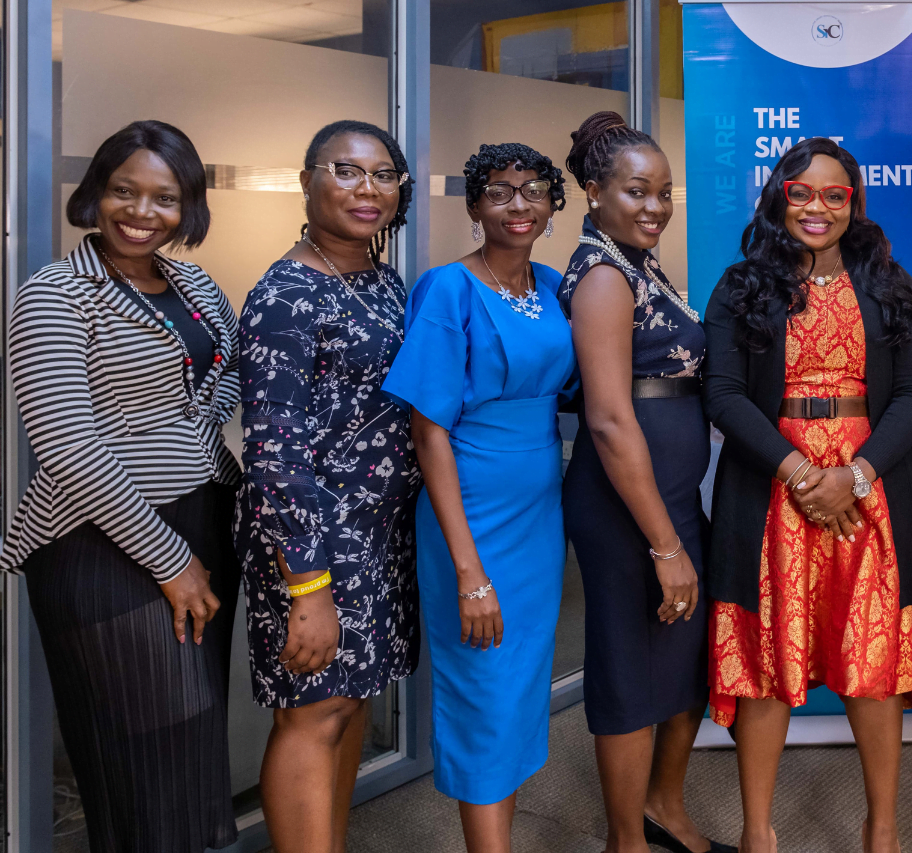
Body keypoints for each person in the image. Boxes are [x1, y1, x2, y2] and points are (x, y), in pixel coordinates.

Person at [705, 137, 912, 853]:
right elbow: (722, 396)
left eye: (834, 194)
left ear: (855, 203)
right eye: (802, 193)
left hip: (870, 492)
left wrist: (855, 475)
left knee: (870, 660)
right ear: (780, 197)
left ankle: (883, 829)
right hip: (771, 489)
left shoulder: (890, 285)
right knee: (766, 663)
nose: (818, 207)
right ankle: (758, 833)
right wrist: (800, 473)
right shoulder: (740, 286)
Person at [2, 120, 241, 852]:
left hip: (202, 517)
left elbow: (225, 371)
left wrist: (192, 423)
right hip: (101, 544)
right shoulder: (54, 295)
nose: (140, 212)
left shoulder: (192, 282)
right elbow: (69, 448)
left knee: (191, 748)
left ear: (188, 207)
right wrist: (171, 563)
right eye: (122, 191)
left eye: (163, 198)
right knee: (145, 764)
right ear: (95, 195)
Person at [382, 143, 575, 852]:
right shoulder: (447, 289)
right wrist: (468, 572)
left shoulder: (555, 286)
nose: (517, 205)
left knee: (519, 690)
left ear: (554, 204)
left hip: (538, 513)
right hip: (471, 514)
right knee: (483, 689)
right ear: (473, 207)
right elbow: (428, 432)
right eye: (499, 192)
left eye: (533, 191)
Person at [236, 119, 421, 853]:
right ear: (306, 179)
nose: (366, 189)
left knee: (347, 704)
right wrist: (307, 588)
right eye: (346, 171)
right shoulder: (284, 294)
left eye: (382, 176)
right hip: (312, 537)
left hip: (378, 529)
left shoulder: (378, 277)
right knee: (312, 712)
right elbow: (274, 449)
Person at [557, 111, 731, 853]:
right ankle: (626, 838)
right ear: (594, 192)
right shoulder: (602, 275)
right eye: (636, 191)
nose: (655, 206)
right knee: (631, 663)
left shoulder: (638, 262)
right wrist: (664, 545)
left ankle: (664, 806)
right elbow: (608, 419)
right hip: (629, 509)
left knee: (685, 653)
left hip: (670, 500)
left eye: (665, 193)